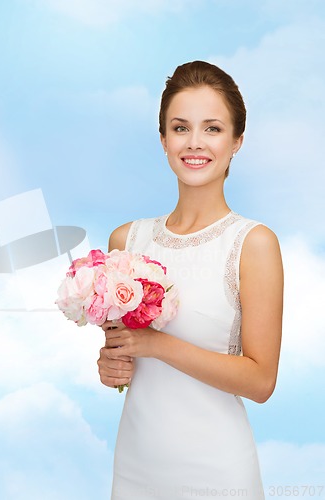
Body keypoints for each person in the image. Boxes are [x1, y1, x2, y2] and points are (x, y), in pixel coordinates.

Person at [97, 61, 283, 500]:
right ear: (163, 138)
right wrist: (111, 366)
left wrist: (157, 345)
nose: (194, 143)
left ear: (237, 141)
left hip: (217, 472)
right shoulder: (127, 240)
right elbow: (122, 356)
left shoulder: (252, 244)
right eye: (180, 127)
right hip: (136, 467)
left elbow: (261, 382)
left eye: (213, 128)